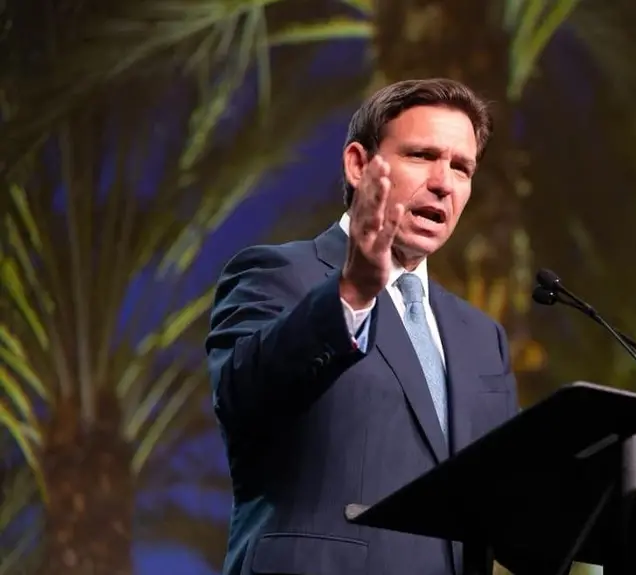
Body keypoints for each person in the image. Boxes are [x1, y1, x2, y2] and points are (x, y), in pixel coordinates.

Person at [205, 78, 521, 575]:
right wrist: (352, 291)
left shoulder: (482, 337)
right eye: (422, 155)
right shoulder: (278, 273)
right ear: (358, 164)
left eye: (461, 167)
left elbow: (507, 498)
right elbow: (242, 396)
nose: (444, 182)